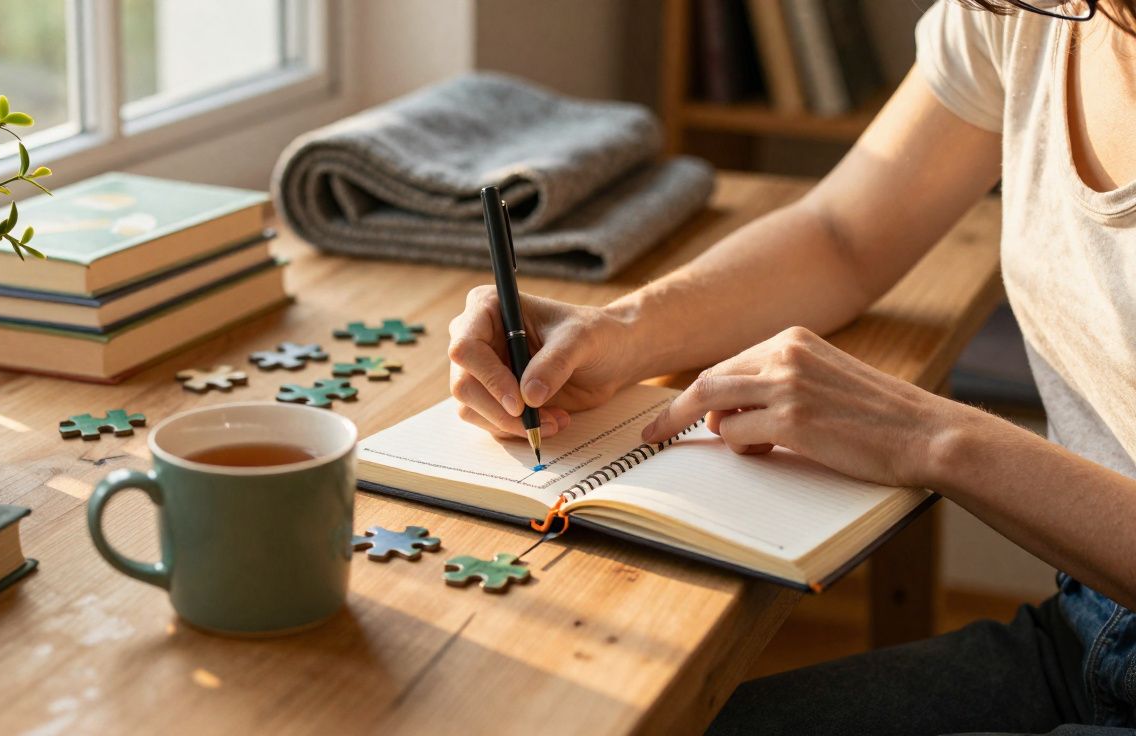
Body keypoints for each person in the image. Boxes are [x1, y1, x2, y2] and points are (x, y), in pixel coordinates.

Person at [446, 0, 1136, 732]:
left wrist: (933, 439)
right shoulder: (1034, 14)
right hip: (1087, 629)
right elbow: (843, 234)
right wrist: (618, 331)